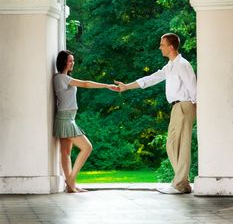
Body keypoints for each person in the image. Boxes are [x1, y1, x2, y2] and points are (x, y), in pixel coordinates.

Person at [115, 33, 196, 194]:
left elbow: (193, 87)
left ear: (171, 47)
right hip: (176, 108)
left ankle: (179, 184)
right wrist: (127, 86)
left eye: (162, 44)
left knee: (182, 145)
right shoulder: (170, 65)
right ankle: (183, 182)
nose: (160, 47)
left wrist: (196, 111)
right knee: (172, 145)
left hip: (185, 106)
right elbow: (151, 78)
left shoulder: (182, 64)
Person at [53, 50, 119, 193]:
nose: (73, 63)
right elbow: (86, 84)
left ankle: (71, 185)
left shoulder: (64, 78)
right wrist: (106, 85)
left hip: (68, 117)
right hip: (65, 118)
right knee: (87, 147)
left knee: (66, 152)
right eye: (70, 60)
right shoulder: (60, 78)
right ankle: (70, 180)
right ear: (63, 62)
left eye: (73, 60)